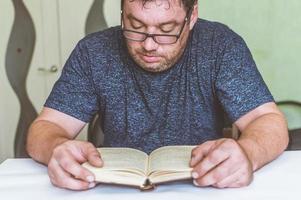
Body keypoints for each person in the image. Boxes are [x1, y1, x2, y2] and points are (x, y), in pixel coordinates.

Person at [26, 0, 288, 191]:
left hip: (203, 187)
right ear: (122, 12)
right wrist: (55, 148)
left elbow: (268, 120)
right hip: (116, 189)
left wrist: (248, 153)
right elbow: (46, 127)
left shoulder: (221, 46)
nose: (149, 44)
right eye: (135, 25)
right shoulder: (93, 52)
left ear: (192, 15)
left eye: (166, 29)